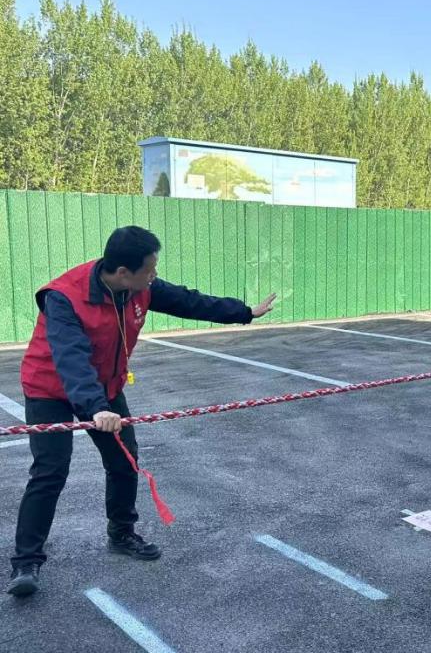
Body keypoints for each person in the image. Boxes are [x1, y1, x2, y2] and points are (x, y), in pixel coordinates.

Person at [7, 226, 277, 597]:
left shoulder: (139, 287)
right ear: (123, 272)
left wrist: (244, 312)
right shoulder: (63, 297)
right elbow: (71, 359)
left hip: (105, 387)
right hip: (50, 389)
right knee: (50, 471)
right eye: (149, 270)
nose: (154, 275)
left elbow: (188, 301)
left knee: (124, 461)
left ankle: (121, 533)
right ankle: (26, 562)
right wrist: (97, 409)